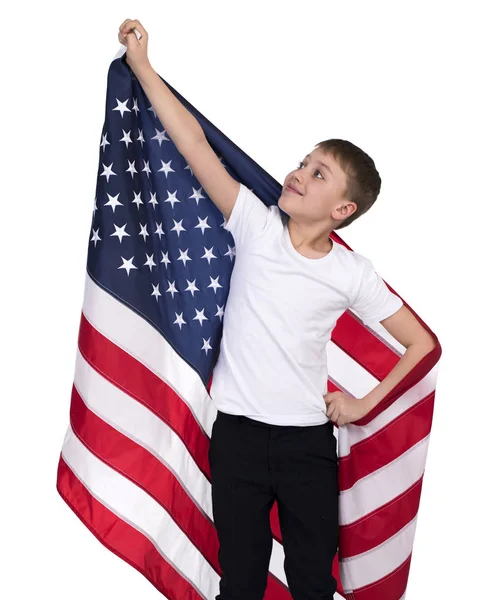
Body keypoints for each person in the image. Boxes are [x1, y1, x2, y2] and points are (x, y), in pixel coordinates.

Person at [118, 18, 436, 600]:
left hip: (307, 446)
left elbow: (424, 345)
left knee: (312, 580)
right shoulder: (255, 225)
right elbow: (193, 142)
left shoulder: (351, 273)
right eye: (303, 161)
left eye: (319, 174)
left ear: (342, 209)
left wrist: (363, 403)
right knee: (239, 580)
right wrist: (143, 65)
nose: (297, 173)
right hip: (237, 437)